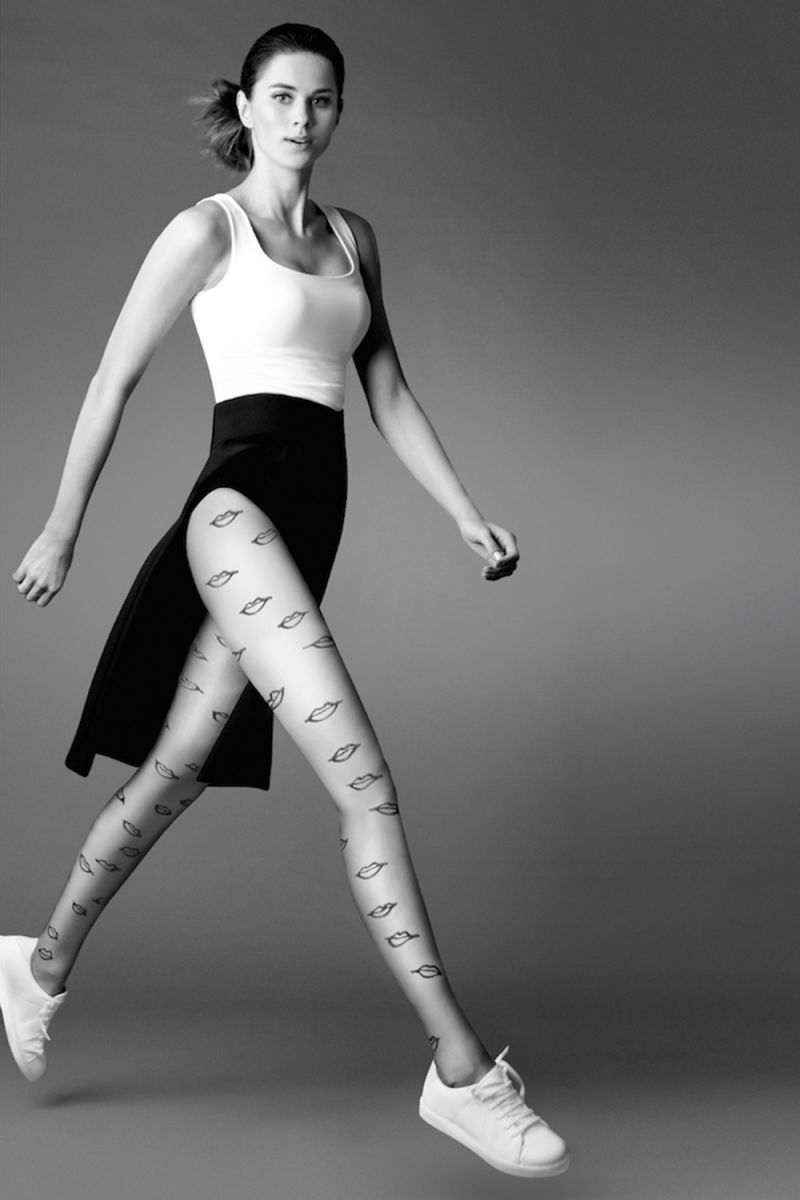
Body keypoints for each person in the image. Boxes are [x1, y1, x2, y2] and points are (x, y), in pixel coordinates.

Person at [0, 23, 569, 1179]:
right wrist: (62, 527)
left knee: (175, 769)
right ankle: (459, 1071)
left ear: (337, 113)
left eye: (321, 100)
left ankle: (36, 961)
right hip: (233, 517)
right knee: (365, 783)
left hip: (306, 536)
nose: (302, 117)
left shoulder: (353, 240)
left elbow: (386, 387)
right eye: (281, 97)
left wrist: (463, 512)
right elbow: (112, 379)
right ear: (246, 107)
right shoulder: (204, 231)